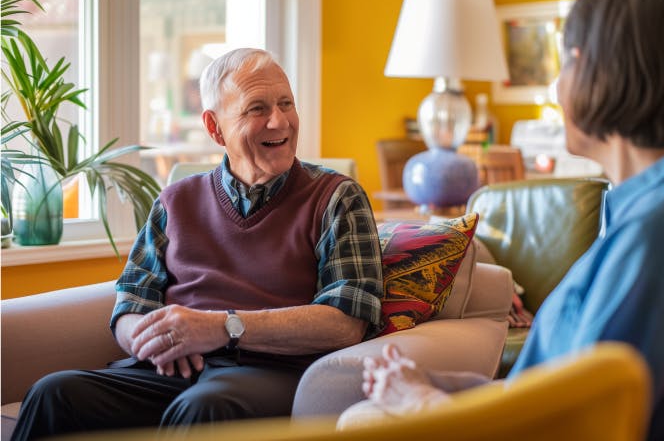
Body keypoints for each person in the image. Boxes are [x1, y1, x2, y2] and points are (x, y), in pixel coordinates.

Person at [344, 0, 664, 441]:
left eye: (565, 64)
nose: (557, 88)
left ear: (597, 72)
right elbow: (562, 382)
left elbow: (584, 420)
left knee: (359, 420)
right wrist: (442, 387)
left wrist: (421, 402)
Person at [11, 48, 384, 440]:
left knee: (204, 408)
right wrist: (157, 339)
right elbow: (130, 305)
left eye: (286, 103)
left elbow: (348, 321)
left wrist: (223, 327)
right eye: (257, 108)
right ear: (215, 127)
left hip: (270, 370)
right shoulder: (176, 200)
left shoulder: (336, 197)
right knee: (53, 393)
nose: (279, 121)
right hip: (170, 369)